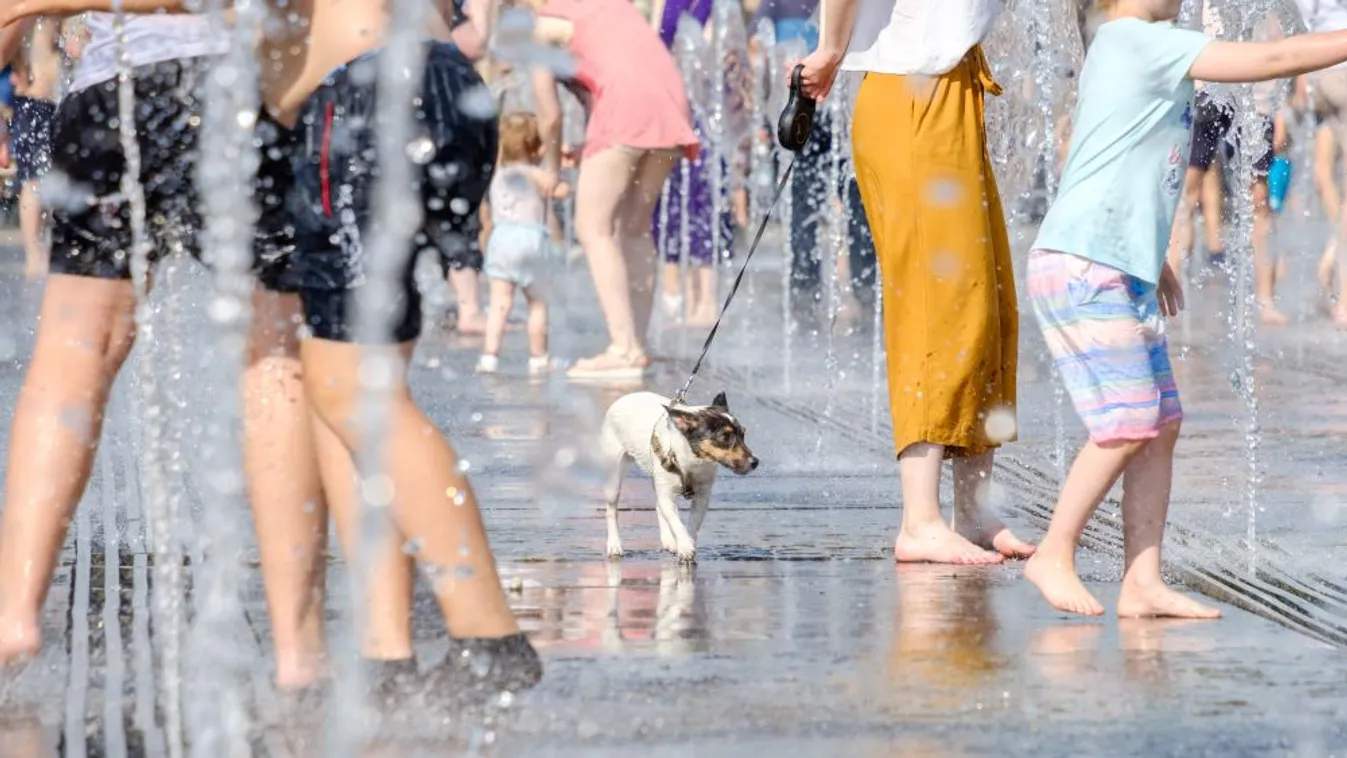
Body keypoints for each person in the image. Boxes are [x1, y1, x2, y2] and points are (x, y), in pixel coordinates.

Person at [0, 12, 341, 691]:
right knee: (274, 356)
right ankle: (296, 646)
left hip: (113, 92)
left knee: (77, 350)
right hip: (253, 93)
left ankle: (13, 614)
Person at [1023, 0, 1347, 617]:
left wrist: (1153, 257)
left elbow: (1109, 163)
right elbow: (1273, 58)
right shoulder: (1137, 40)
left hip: (1116, 263)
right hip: (1086, 265)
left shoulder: (1123, 46)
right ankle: (1054, 551)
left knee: (1159, 422)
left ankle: (1142, 581)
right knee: (1127, 423)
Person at [796, 0, 1035, 564]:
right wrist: (831, 49)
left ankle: (972, 511)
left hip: (950, 89)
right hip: (912, 98)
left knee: (986, 303)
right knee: (937, 307)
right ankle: (919, 521)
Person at [527, 0, 700, 380]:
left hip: (625, 111)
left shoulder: (541, 25)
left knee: (593, 227)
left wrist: (551, 168)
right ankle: (636, 343)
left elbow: (550, 115)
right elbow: (614, 75)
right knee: (635, 228)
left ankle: (623, 348)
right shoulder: (608, 6)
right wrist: (589, 145)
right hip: (669, 107)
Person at [1166, 1, 1291, 326]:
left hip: (1255, 95)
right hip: (1206, 89)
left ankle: (1264, 299)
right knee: (1187, 191)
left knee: (1258, 201)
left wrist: (1278, 108)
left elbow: (1277, 36)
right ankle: (1170, 285)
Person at [750, 0, 877, 317]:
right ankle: (865, 292)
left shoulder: (775, 4)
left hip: (813, 105)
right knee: (851, 201)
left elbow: (757, 55)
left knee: (812, 203)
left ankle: (806, 293)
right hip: (829, 106)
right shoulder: (776, 5)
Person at [648, 0, 738, 329]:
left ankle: (707, 302)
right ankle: (675, 296)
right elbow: (653, 48)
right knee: (668, 200)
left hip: (705, 115)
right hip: (670, 107)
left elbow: (723, 59)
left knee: (703, 202)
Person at [477, 111, 565, 376]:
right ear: (535, 145)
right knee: (537, 304)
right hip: (529, 241)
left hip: (501, 240)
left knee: (499, 303)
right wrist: (561, 171)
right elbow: (560, 191)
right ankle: (538, 359)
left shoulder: (498, 175)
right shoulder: (535, 175)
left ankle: (489, 357)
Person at [1296, 0, 1347, 323]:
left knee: (1323, 175)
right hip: (1342, 66)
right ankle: (1344, 297)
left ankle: (1333, 245)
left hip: (1317, 73)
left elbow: (1299, 20)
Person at [5, 19, 61, 279]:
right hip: (35, 102)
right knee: (34, 180)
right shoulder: (37, 12)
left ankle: (40, 249)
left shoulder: (33, 13)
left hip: (41, 101)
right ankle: (33, 253)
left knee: (45, 178)